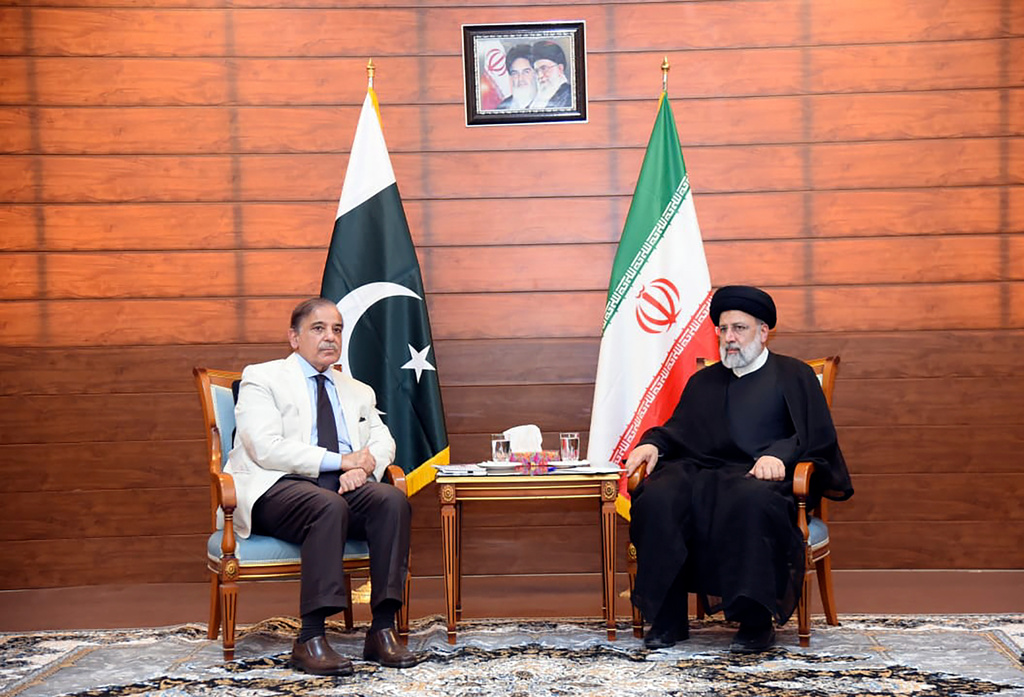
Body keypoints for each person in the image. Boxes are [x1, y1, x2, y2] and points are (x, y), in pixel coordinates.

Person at [624, 285, 853, 654]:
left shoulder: (793, 375)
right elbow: (678, 430)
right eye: (723, 329)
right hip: (702, 471)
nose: (729, 337)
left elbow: (815, 437)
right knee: (658, 498)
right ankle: (668, 619)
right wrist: (653, 443)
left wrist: (780, 456)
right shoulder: (704, 381)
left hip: (763, 480)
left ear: (763, 332)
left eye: (739, 328)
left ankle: (755, 622)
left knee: (750, 502)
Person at [226, 297, 418, 675]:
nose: (330, 337)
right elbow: (265, 448)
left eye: (337, 329)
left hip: (343, 486)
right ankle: (310, 637)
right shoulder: (262, 378)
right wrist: (340, 461)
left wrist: (363, 468)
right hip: (277, 488)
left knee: (392, 501)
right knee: (327, 506)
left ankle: (382, 629)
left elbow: (383, 442)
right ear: (294, 338)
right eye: (318, 328)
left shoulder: (357, 389)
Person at [530, 40, 572, 108]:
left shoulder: (570, 96)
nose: (540, 75)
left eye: (544, 68)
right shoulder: (535, 101)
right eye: (537, 71)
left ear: (560, 69)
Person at [497, 44, 538, 110]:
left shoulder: (548, 104)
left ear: (536, 73)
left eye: (526, 72)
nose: (520, 79)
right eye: (515, 73)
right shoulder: (502, 108)